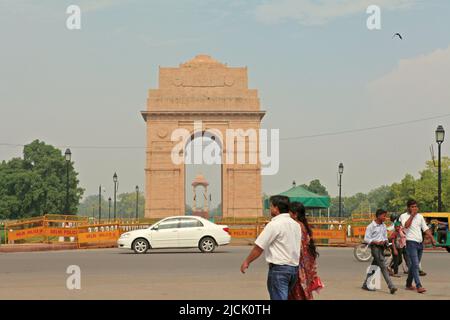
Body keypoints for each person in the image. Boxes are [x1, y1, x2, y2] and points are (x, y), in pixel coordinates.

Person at [240, 195, 301, 300]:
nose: (269, 209)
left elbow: (259, 247)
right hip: (293, 269)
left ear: (276, 208)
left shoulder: (274, 225)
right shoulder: (296, 225)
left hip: (279, 270)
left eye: (271, 206)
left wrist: (247, 261)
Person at [399, 199, 436, 294]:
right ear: (408, 208)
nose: (415, 208)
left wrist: (431, 237)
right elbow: (406, 226)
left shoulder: (420, 216)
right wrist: (412, 215)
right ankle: (419, 285)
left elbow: (425, 228)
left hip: (420, 244)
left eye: (416, 206)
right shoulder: (404, 216)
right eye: (412, 207)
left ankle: (408, 284)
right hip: (410, 243)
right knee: (415, 265)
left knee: (413, 266)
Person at [288, 202, 321, 300]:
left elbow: (298, 248)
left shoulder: (296, 226)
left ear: (295, 214)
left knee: (298, 292)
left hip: (299, 265)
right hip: (306, 265)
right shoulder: (304, 226)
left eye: (289, 213)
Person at [362, 209, 397, 294]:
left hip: (382, 248)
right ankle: (391, 286)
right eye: (384, 216)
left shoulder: (383, 226)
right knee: (383, 266)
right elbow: (366, 239)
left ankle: (365, 284)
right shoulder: (371, 226)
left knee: (374, 266)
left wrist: (386, 242)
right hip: (375, 248)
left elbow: (385, 237)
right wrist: (375, 241)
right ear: (378, 216)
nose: (385, 217)